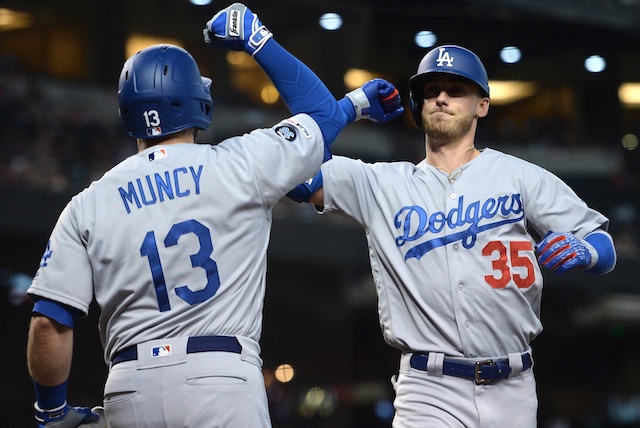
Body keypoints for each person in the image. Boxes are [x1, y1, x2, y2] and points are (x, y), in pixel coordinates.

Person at [25, 3, 403, 427]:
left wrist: (52, 411)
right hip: (220, 378)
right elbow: (321, 115)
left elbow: (49, 323)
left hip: (130, 387)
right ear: (197, 103)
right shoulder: (239, 163)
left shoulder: (87, 203)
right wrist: (255, 38)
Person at [287, 44, 617, 427]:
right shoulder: (379, 183)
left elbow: (602, 242)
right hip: (429, 389)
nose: (441, 97)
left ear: (482, 105)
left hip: (515, 387)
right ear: (417, 105)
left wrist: (587, 252)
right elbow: (293, 172)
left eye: (456, 89)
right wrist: (352, 106)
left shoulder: (521, 176)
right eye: (431, 90)